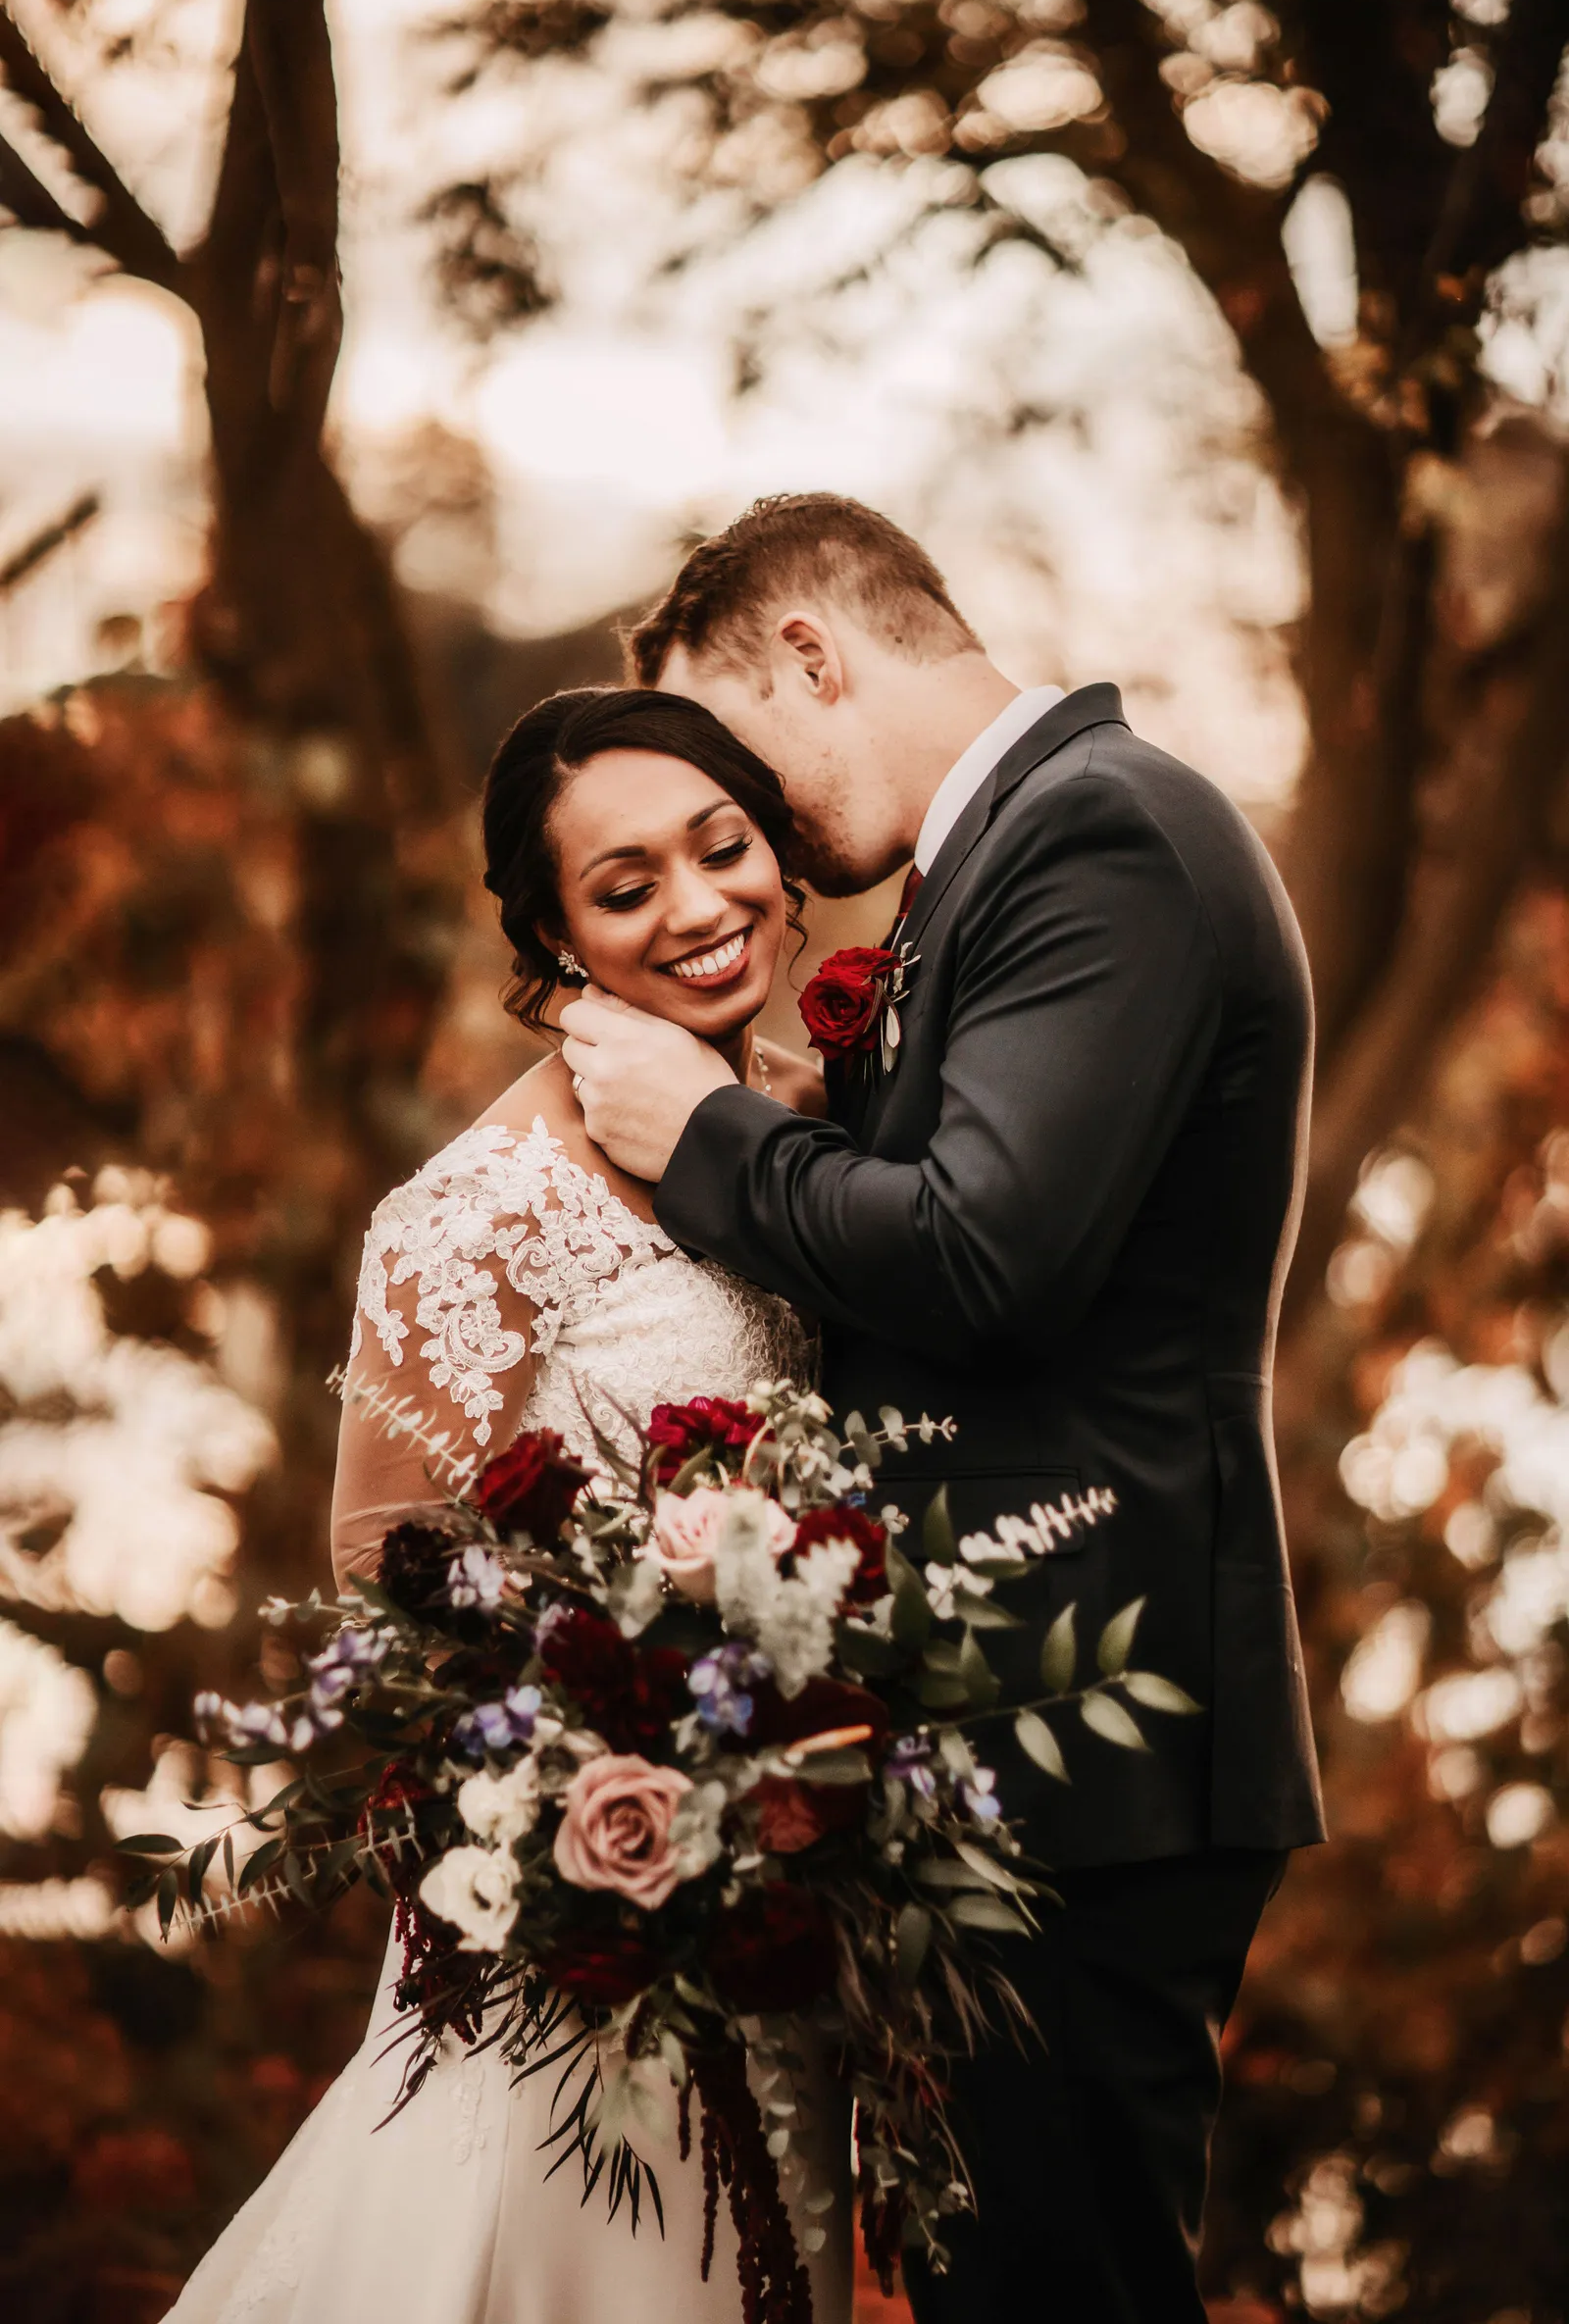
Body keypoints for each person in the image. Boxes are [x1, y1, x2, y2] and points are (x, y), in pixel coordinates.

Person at [559, 492, 1327, 2324]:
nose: (751, 850)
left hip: (1092, 1731)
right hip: (1004, 1740)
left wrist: (711, 1138)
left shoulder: (1107, 836)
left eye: (739, 767)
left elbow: (990, 1255)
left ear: (811, 657)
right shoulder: (1015, 852)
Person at [161, 689, 850, 2324]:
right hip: (583, 1901)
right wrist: (599, 1756)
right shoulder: (474, 1211)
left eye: (721, 847)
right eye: (625, 889)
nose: (696, 908)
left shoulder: (812, 1130)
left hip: (797, 1874)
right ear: (554, 939)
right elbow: (378, 1560)